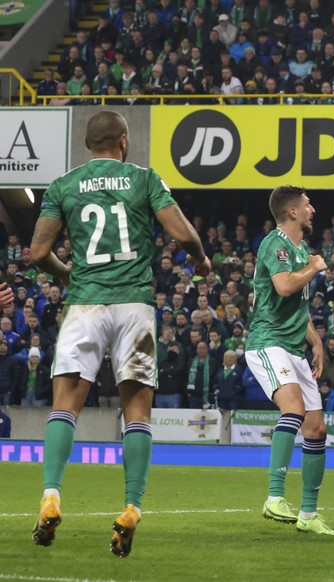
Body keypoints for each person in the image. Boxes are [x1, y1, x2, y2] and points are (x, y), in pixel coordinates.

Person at [30, 110, 210, 556]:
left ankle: (51, 495)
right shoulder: (143, 179)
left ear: (88, 145)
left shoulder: (62, 186)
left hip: (85, 304)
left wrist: (67, 274)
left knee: (64, 407)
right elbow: (182, 234)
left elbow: (37, 252)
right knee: (137, 414)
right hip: (134, 305)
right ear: (123, 141)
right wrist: (201, 260)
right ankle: (131, 506)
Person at [244, 185, 334, 536]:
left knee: (316, 428)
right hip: (268, 342)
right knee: (294, 410)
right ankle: (274, 496)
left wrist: (315, 341)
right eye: (307, 204)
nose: (313, 209)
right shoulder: (275, 243)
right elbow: (285, 286)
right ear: (293, 213)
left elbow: (297, 305)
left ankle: (309, 514)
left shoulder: (300, 248)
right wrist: (313, 269)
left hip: (294, 347)